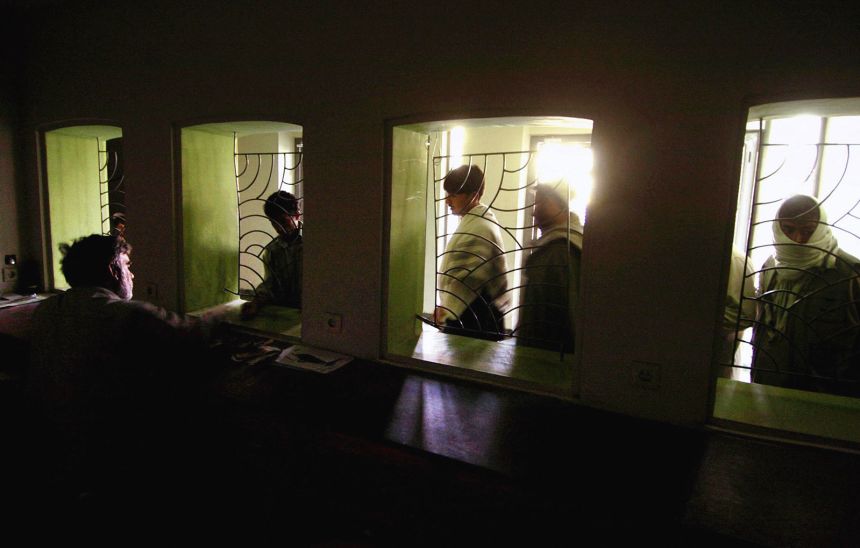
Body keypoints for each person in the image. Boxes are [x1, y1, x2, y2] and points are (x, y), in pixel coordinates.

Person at [27, 234, 223, 504]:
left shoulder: (46, 309)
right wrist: (227, 315)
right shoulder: (123, 314)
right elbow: (190, 334)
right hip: (108, 448)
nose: (132, 273)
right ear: (112, 268)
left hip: (50, 441)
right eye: (127, 265)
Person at [751, 195, 860, 396]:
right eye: (789, 230)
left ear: (820, 228)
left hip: (823, 396)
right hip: (767, 386)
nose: (798, 240)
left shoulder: (848, 274)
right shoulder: (770, 267)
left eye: (808, 231)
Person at [433, 165, 508, 339]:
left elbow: (468, 279)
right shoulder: (475, 222)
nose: (447, 201)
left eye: (453, 195)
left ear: (473, 195)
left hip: (476, 317)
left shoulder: (480, 227)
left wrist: (447, 308)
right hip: (470, 312)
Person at [515, 181, 582, 352]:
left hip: (549, 354)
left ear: (562, 206)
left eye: (542, 203)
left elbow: (571, 310)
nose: (534, 211)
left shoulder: (561, 250)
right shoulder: (556, 246)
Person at [241, 190, 303, 319]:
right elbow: (269, 285)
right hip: (285, 315)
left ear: (297, 215)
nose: (278, 228)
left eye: (283, 221)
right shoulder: (272, 250)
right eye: (273, 223)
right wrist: (255, 304)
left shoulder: (317, 246)